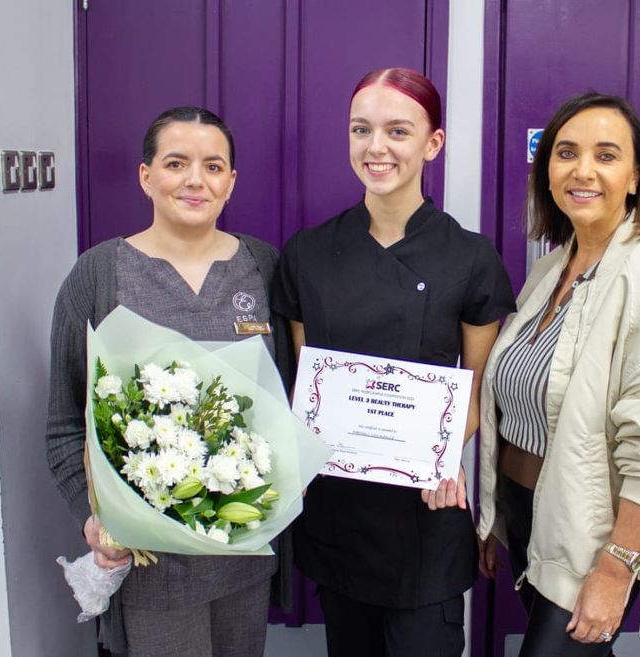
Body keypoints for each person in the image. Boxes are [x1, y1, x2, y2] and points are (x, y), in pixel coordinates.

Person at [475, 92, 640, 656]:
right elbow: (519, 405)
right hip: (531, 516)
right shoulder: (551, 267)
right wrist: (499, 519)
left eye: (606, 155)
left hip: (596, 535)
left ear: (636, 177)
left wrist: (617, 566)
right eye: (566, 152)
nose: (582, 170)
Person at [271, 67, 516, 657]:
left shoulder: (470, 258)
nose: (375, 147)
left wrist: (434, 459)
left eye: (397, 131)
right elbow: (311, 388)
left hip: (425, 514)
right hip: (339, 509)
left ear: (433, 144)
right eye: (361, 129)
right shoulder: (309, 253)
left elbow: (476, 393)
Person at [46, 106, 292, 657]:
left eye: (213, 165)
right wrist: (93, 516)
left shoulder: (263, 266)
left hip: (243, 554)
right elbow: (64, 422)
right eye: (176, 162)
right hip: (149, 565)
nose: (195, 180)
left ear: (231, 181)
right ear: (146, 176)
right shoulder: (100, 275)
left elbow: (292, 399)